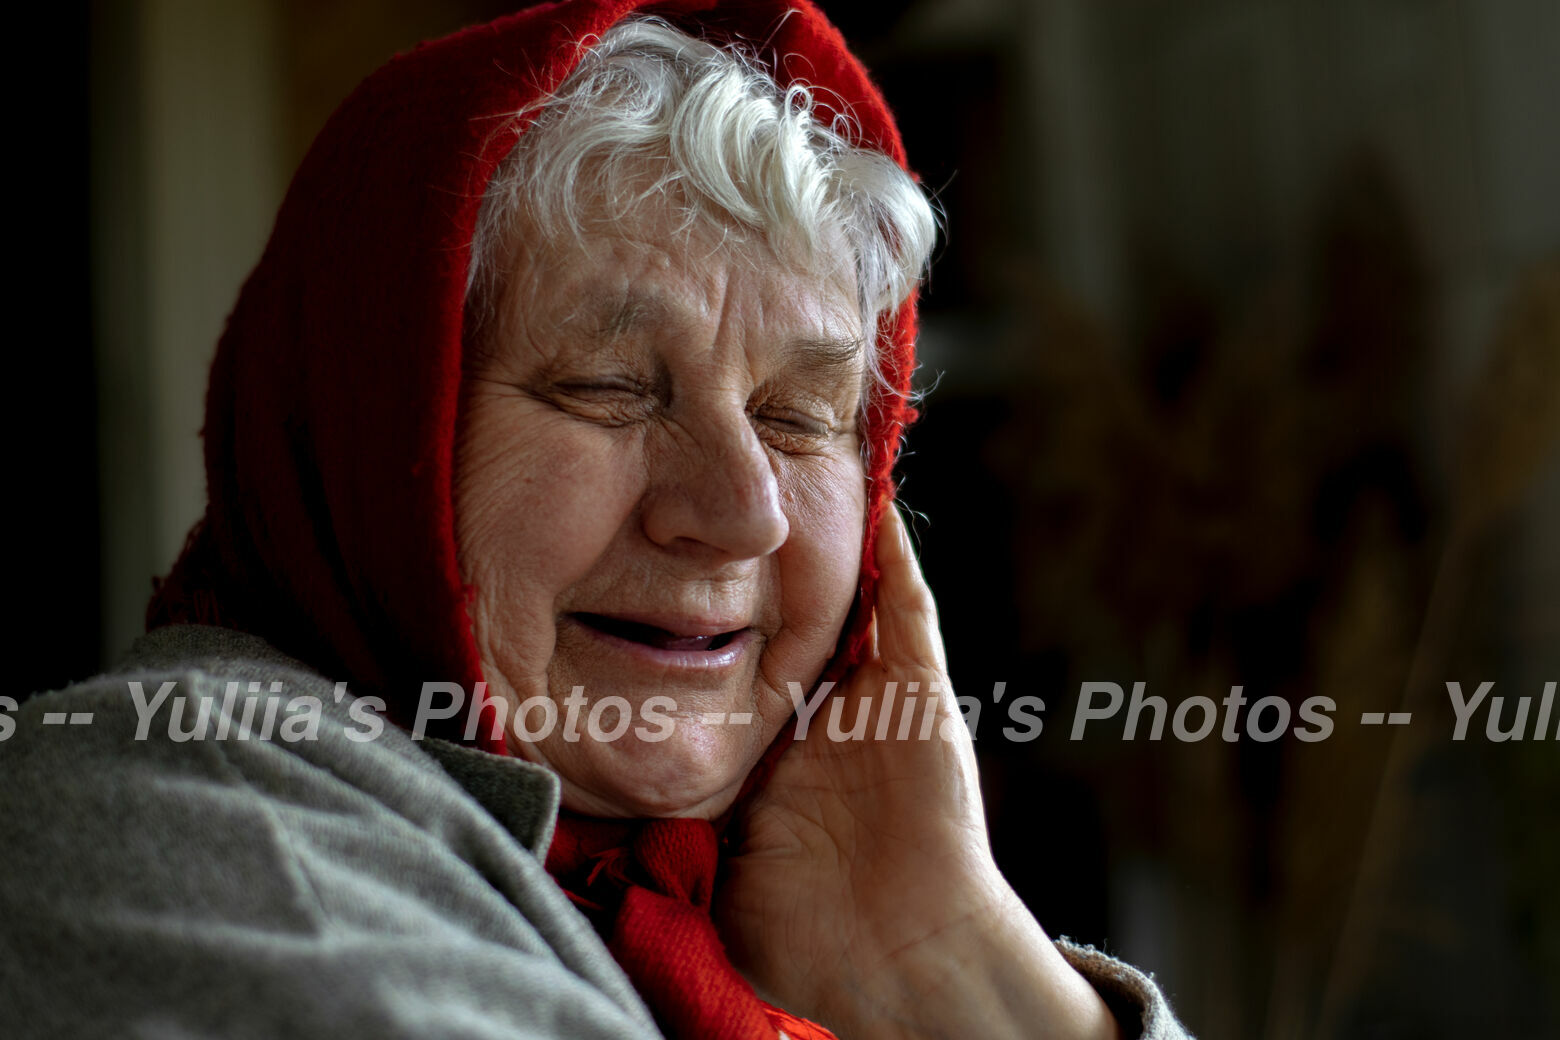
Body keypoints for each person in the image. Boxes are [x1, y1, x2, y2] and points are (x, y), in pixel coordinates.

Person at [0, 2, 1189, 1038]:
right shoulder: (186, 819)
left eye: (799, 415)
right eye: (607, 387)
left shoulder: (729, 904)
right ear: (369, 430)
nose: (740, 514)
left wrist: (953, 963)